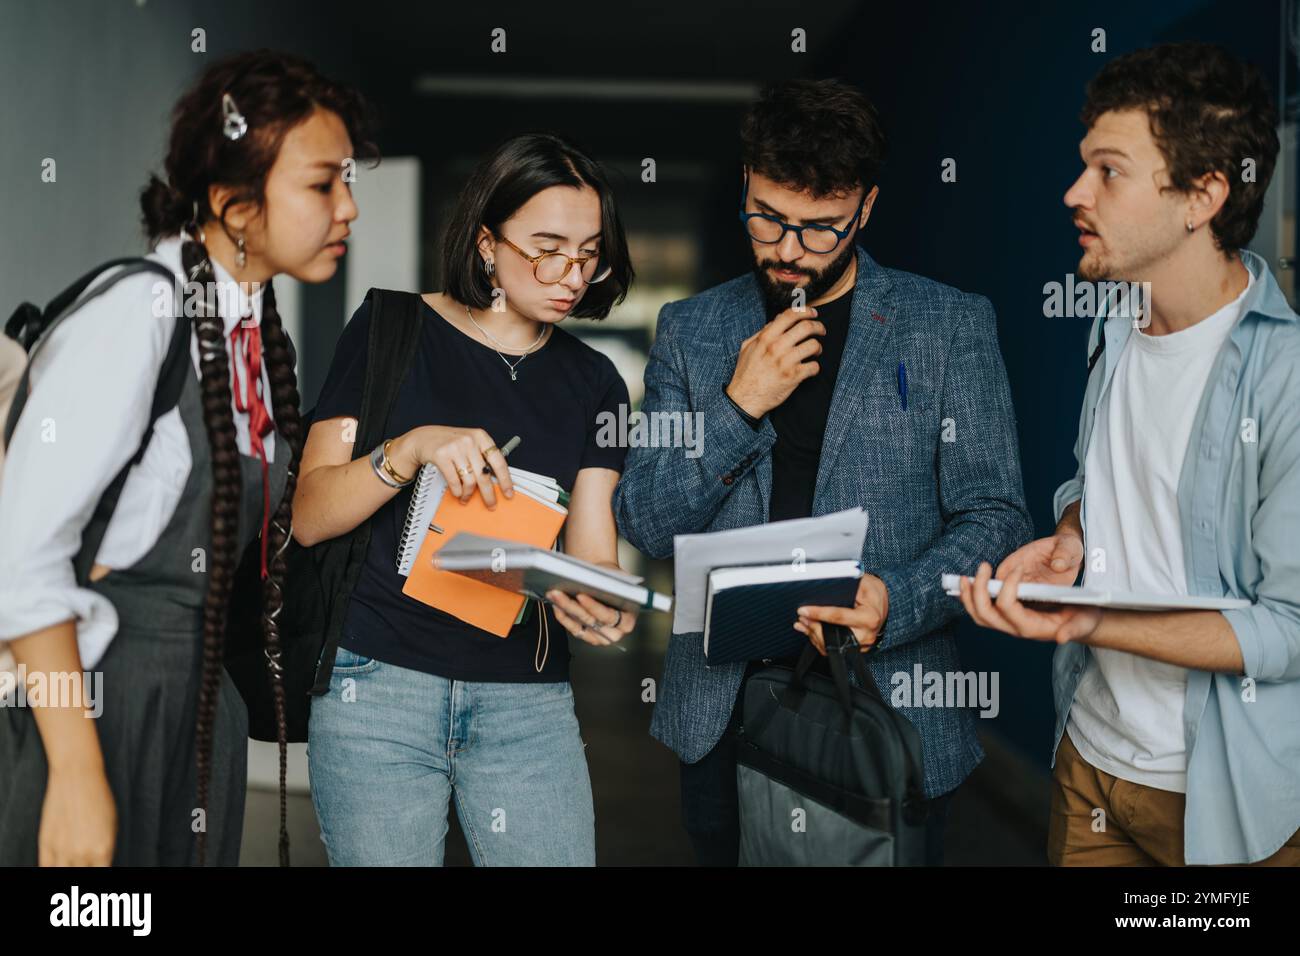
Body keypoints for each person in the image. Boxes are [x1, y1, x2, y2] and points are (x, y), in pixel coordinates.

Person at [614, 78, 1033, 866]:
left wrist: (895, 601)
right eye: (768, 218)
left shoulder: (948, 324)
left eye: (820, 229)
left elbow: (998, 516)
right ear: (745, 184)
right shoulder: (691, 330)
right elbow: (641, 520)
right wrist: (739, 407)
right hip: (721, 711)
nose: (789, 251)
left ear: (866, 208)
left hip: (888, 707)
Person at [0, 49, 371, 865]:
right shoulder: (139, 316)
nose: (347, 208)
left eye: (348, 181)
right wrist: (75, 773)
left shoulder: (253, 336)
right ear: (235, 204)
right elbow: (21, 564)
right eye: (321, 184)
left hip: (201, 714)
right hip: (101, 705)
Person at [959, 42, 1300, 866]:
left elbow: (1288, 630)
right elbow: (1098, 478)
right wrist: (1073, 537)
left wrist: (1094, 620)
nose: (1074, 193)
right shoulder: (1113, 322)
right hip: (1089, 761)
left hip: (1225, 796)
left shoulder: (1285, 376)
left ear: (1203, 195)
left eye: (1108, 170)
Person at [297, 132, 637, 866]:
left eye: (588, 253)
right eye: (546, 247)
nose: (570, 273)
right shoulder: (392, 330)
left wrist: (598, 599)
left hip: (528, 703)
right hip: (377, 687)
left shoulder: (596, 382)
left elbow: (592, 550)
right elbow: (311, 513)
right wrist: (410, 448)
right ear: (487, 244)